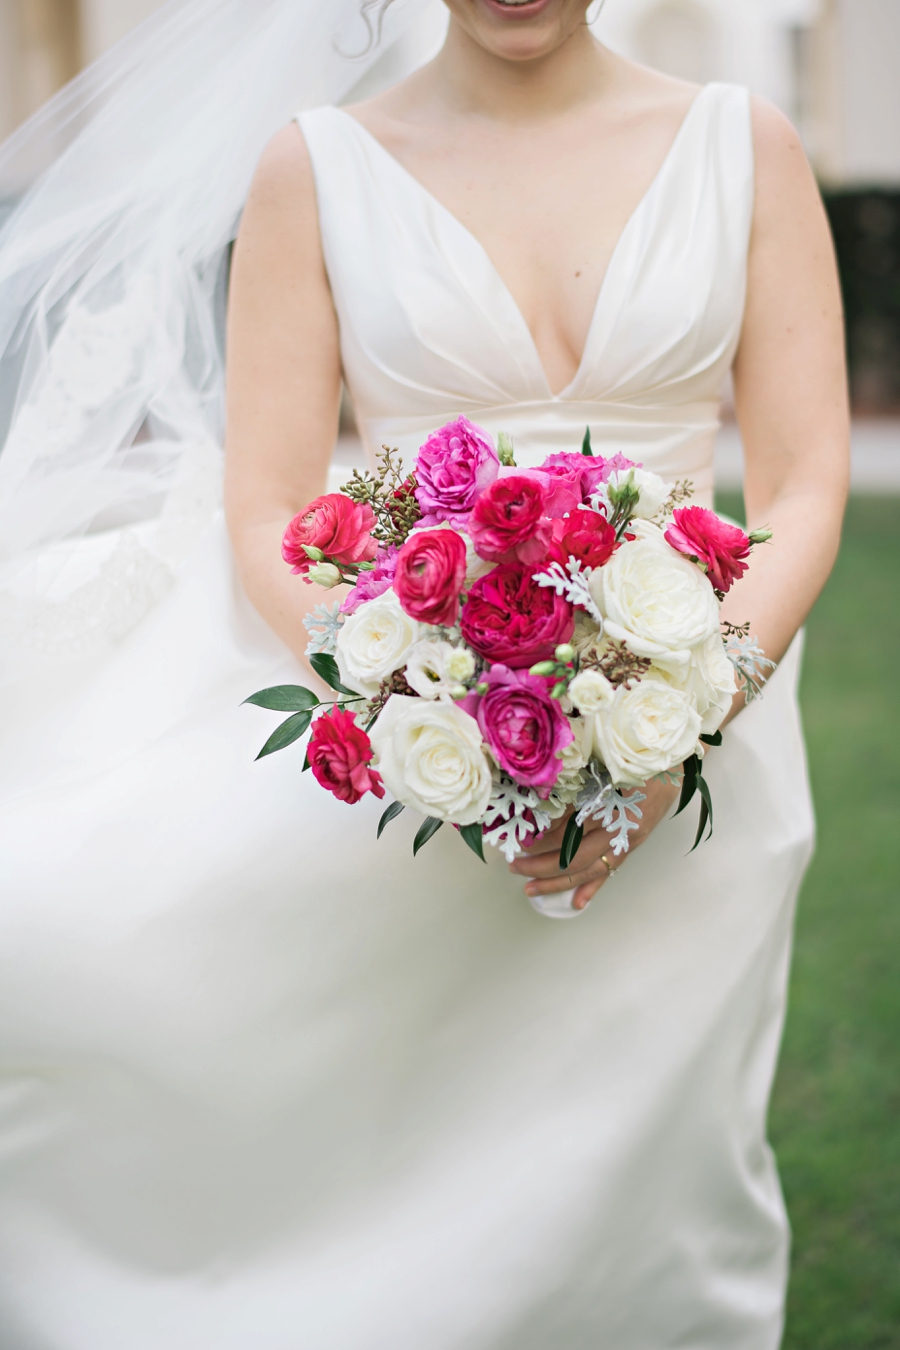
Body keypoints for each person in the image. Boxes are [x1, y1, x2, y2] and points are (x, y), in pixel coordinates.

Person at [0, 0, 848, 1345]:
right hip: (429, 747)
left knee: (658, 1192)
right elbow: (270, 508)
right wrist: (414, 715)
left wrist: (679, 718)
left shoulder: (746, 145)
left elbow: (804, 483)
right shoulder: (315, 167)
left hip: (703, 746)